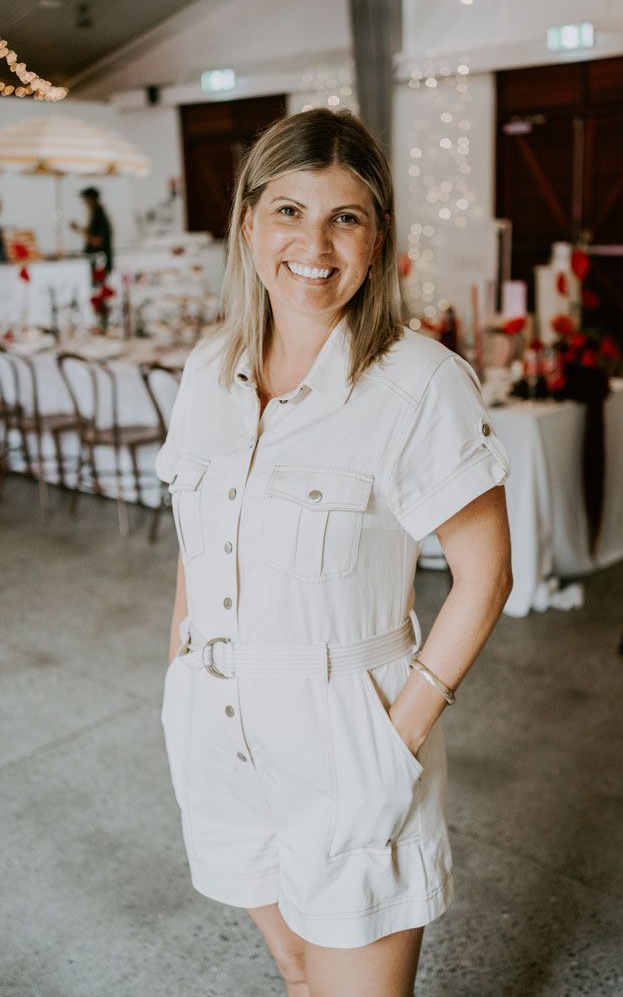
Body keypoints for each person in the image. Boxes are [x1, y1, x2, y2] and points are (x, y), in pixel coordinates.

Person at [154, 107, 512, 997]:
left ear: (378, 237)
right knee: (298, 972)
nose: (314, 243)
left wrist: (398, 739)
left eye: (344, 217)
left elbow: (485, 574)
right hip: (220, 739)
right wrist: (178, 686)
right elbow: (198, 549)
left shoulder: (420, 384)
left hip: (349, 747)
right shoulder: (206, 371)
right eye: (288, 211)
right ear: (247, 222)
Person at [70, 186, 113, 275]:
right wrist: (79, 229)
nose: (84, 203)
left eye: (85, 200)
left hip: (99, 265)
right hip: (98, 263)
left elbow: (97, 241)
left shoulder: (99, 216)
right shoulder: (97, 215)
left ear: (91, 200)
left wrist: (79, 230)